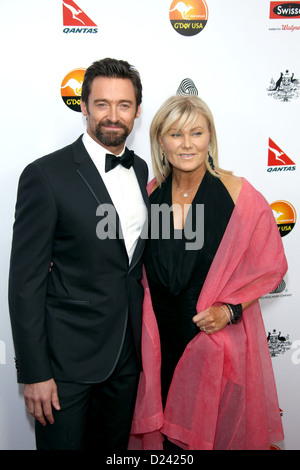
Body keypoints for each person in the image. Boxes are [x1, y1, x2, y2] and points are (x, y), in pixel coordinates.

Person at [128, 95, 288, 450]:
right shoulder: (151, 195)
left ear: (210, 137)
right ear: (160, 141)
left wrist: (228, 310)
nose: (187, 144)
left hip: (212, 347)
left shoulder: (239, 195)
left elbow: (271, 267)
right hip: (159, 348)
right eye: (175, 134)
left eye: (196, 133)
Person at [8, 58, 149, 450]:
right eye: (101, 103)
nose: (113, 115)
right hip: (64, 367)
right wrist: (34, 372)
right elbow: (25, 284)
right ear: (83, 106)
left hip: (126, 360)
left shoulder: (140, 170)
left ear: (137, 111)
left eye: (124, 104)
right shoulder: (46, 175)